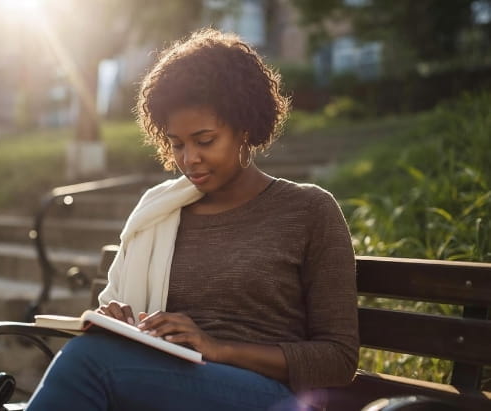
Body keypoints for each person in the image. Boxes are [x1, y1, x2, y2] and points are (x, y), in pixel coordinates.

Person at [26, 28, 359, 411]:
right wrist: (121, 320)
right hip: (164, 382)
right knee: (93, 352)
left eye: (205, 141)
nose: (189, 160)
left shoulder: (308, 210)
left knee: (89, 363)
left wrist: (218, 349)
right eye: (176, 144)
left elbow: (339, 359)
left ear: (245, 128)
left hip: (270, 396)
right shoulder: (163, 211)